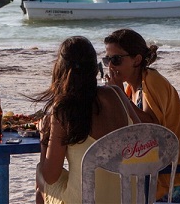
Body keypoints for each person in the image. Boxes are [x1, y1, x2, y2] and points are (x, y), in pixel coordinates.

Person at [34, 36, 140, 204]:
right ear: (95, 68)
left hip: (85, 200)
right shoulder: (117, 94)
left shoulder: (63, 111)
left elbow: (50, 177)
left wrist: (44, 138)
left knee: (41, 179)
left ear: (61, 69)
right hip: (127, 198)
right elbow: (142, 133)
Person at [103, 28, 180, 202]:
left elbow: (152, 129)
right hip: (155, 171)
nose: (110, 66)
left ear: (136, 60)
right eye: (107, 59)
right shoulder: (132, 88)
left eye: (116, 60)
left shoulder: (151, 81)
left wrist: (119, 94)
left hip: (172, 180)